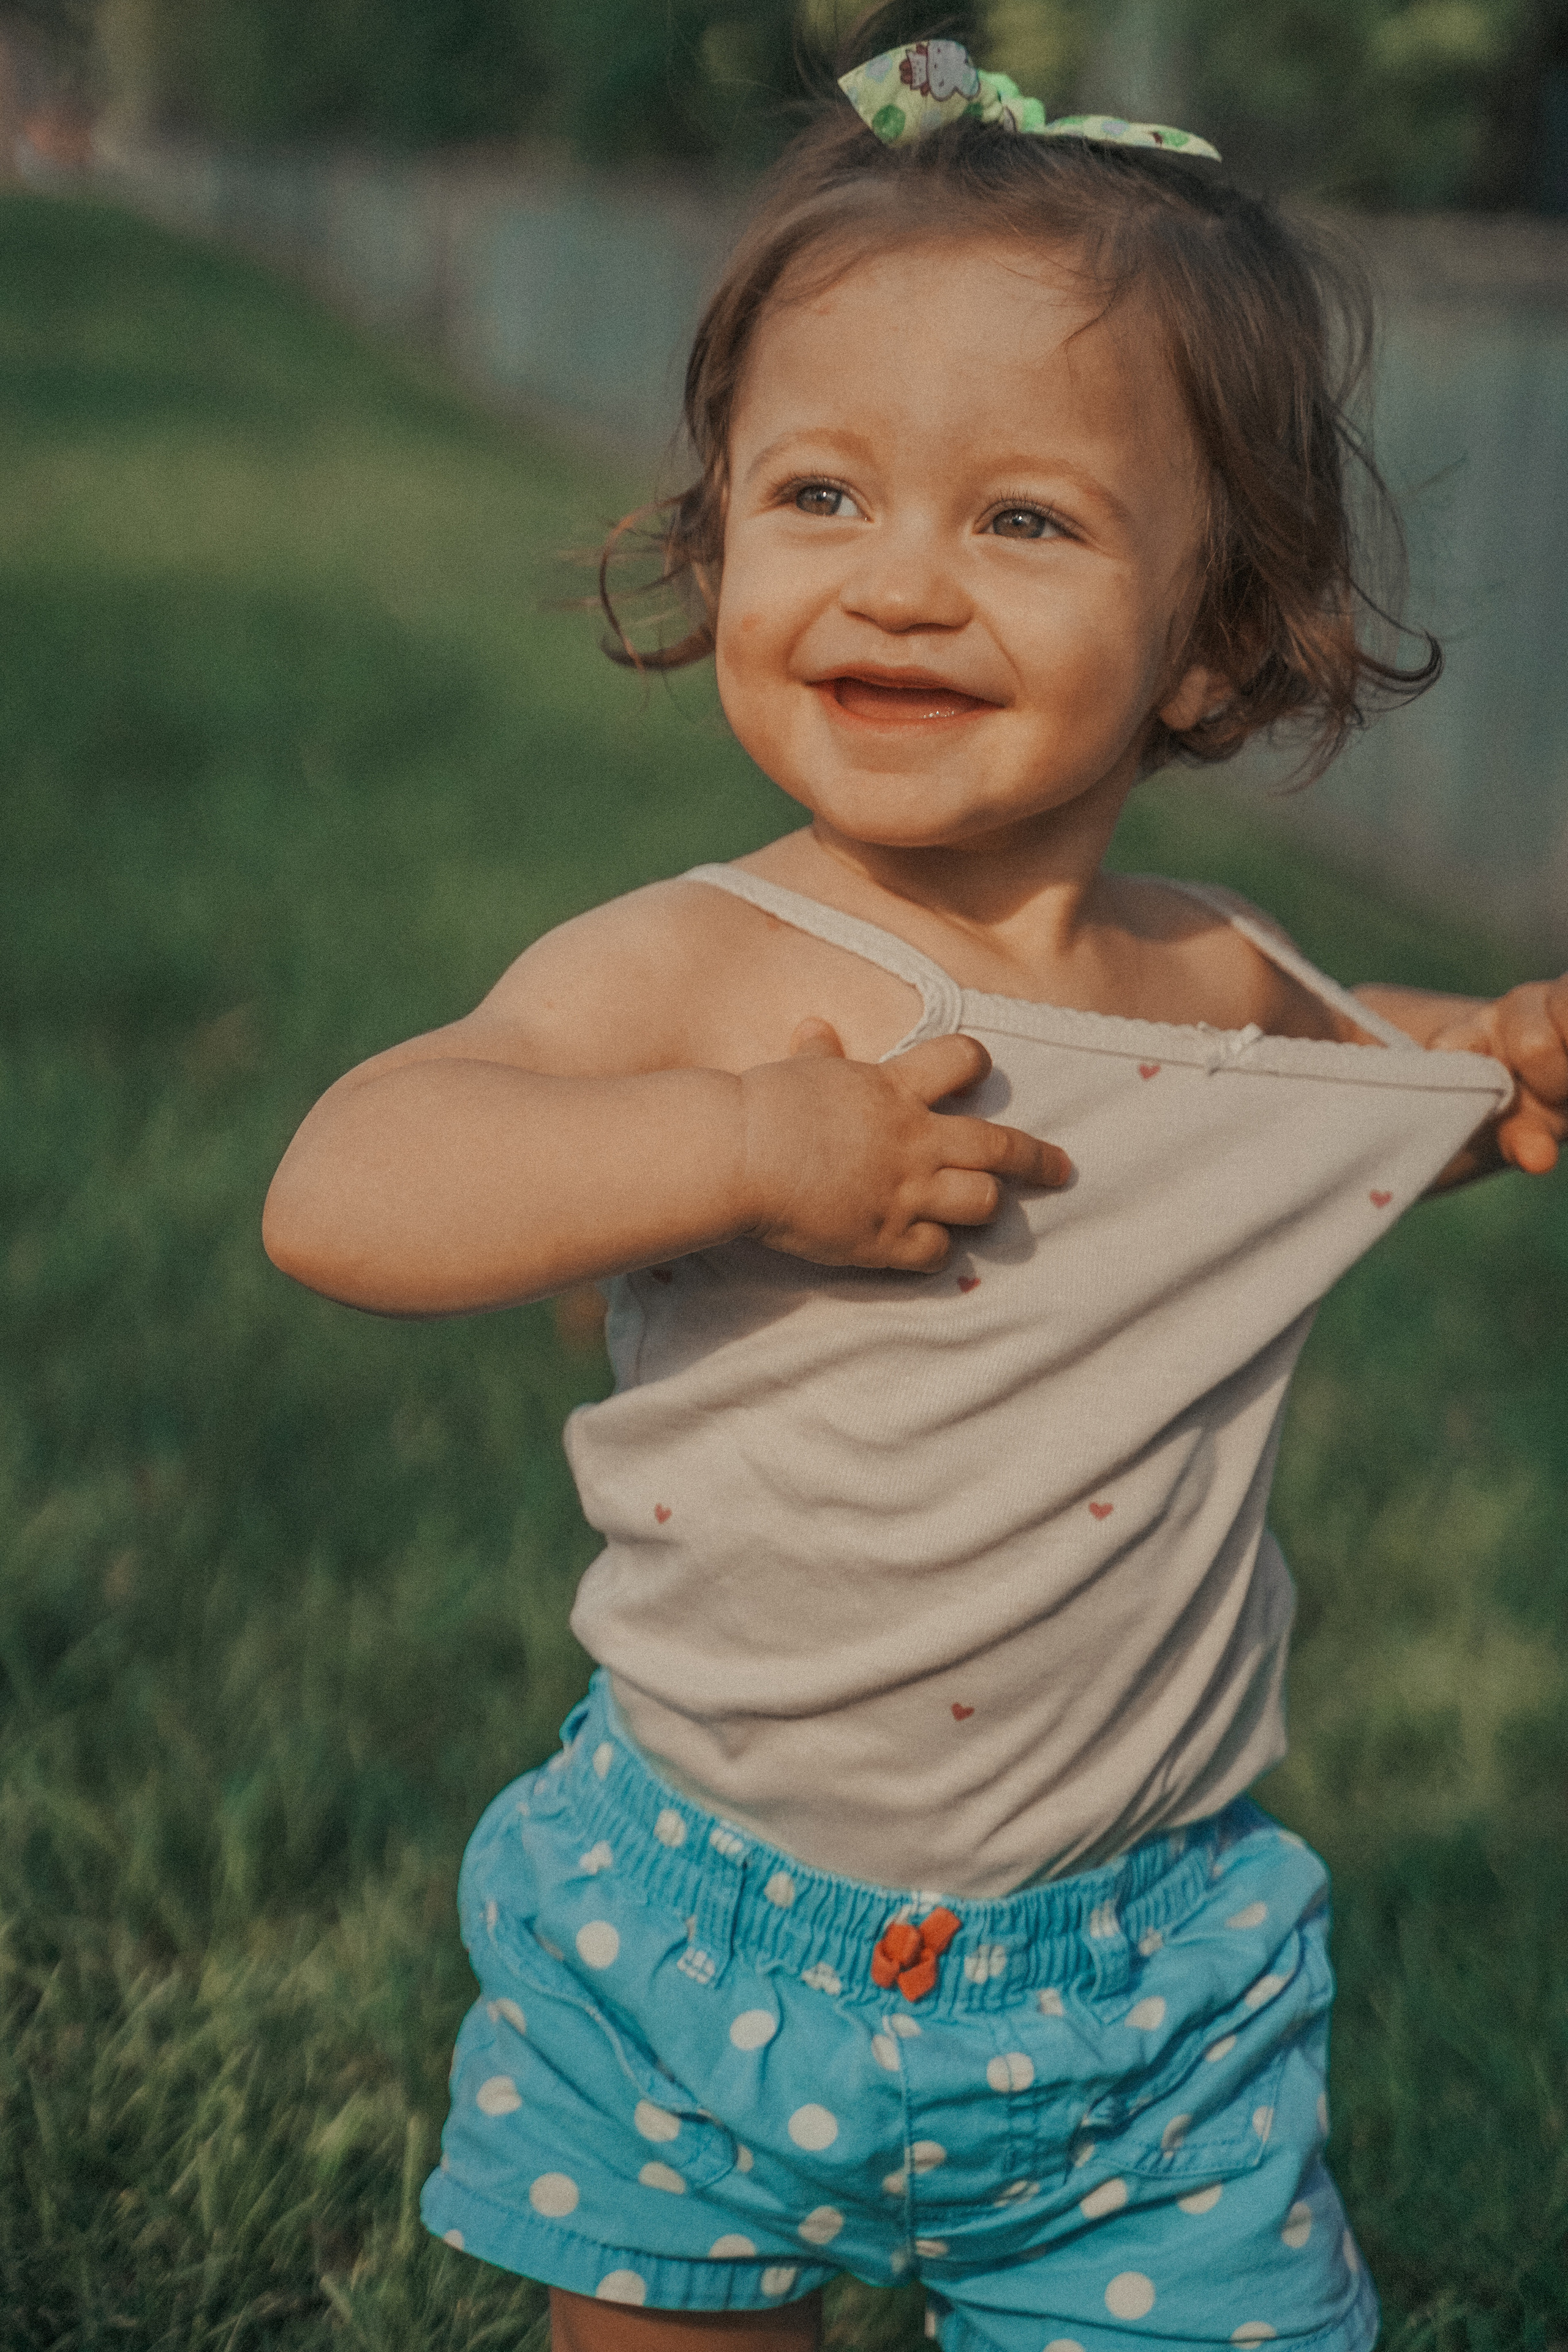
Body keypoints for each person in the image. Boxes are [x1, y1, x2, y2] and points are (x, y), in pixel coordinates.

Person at [263, 20, 1568, 2352]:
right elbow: (347, 1184)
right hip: (706, 1926)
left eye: (1026, 520)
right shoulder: (703, 963)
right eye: (824, 497)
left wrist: (1495, 1071)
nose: (903, 587)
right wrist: (747, 1143)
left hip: (1145, 1972)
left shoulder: (1220, 981)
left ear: (1221, 631)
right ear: (717, 530)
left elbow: (1349, 1117)